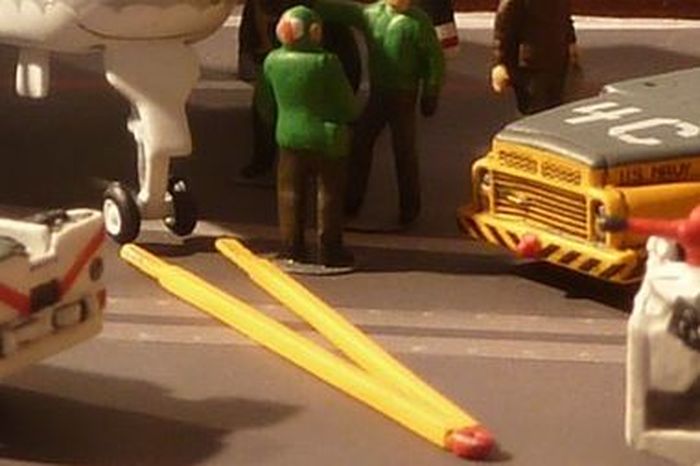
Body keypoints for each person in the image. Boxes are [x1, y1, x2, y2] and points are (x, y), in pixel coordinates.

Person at [315, 0, 445, 226]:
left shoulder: (418, 22)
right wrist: (312, 6)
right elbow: (345, 12)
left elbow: (434, 58)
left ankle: (409, 207)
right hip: (379, 92)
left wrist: (431, 91)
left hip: (404, 93)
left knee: (404, 151)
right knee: (360, 142)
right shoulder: (373, 15)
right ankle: (352, 199)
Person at [257, 5, 360, 268]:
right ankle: (330, 249)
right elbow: (347, 103)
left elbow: (264, 102)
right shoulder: (326, 62)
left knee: (289, 193)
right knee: (329, 195)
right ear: (314, 32)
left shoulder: (272, 61)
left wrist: (274, 121)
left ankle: (292, 246)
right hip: (327, 138)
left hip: (288, 135)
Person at [238, 0, 361, 179]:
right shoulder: (327, 57)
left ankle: (263, 162)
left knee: (292, 179)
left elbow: (264, 105)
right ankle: (264, 161)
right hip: (325, 124)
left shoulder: (279, 59)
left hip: (298, 125)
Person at [490, 0, 579, 115]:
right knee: (534, 110)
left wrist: (571, 43)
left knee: (555, 110)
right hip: (531, 66)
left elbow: (565, 19)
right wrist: (501, 63)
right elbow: (503, 27)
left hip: (558, 62)